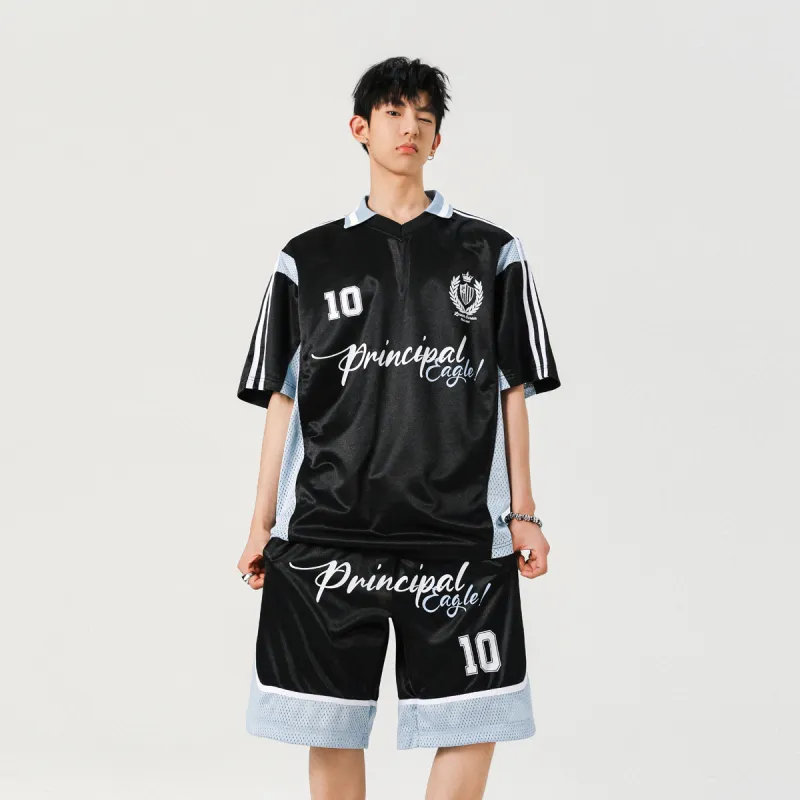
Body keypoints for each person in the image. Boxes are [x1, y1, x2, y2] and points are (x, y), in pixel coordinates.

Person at [236, 56, 561, 800]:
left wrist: (524, 513)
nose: (408, 125)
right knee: (329, 725)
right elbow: (283, 399)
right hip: (330, 532)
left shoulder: (490, 251)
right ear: (360, 127)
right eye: (392, 112)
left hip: (457, 534)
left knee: (474, 717)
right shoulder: (307, 258)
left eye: (424, 115)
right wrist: (260, 523)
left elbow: (514, 388)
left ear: (438, 138)